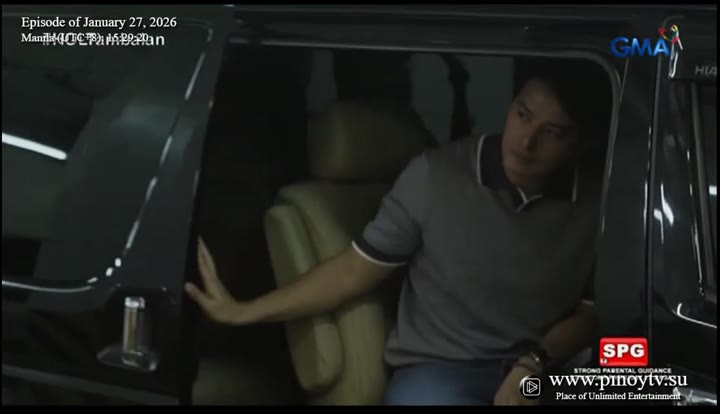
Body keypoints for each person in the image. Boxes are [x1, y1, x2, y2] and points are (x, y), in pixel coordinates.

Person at [185, 57, 613, 406]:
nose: (526, 142)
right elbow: (352, 271)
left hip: (544, 366)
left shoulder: (599, 203)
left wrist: (533, 364)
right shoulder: (436, 176)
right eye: (522, 114)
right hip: (443, 371)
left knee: (639, 386)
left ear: (580, 145)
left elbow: (591, 313)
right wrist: (243, 311)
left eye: (552, 133)